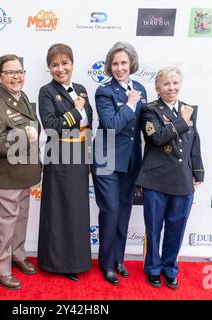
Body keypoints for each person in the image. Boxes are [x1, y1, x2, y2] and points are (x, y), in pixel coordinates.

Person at [136, 66, 204, 289]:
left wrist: (198, 172)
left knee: (177, 228)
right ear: (157, 88)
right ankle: (153, 269)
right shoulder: (149, 110)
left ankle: (169, 268)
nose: (171, 88)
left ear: (180, 85)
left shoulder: (188, 109)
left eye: (175, 83)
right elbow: (156, 137)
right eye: (166, 84)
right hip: (156, 179)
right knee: (154, 228)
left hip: (183, 180)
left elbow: (194, 142)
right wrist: (182, 122)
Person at [0, 54, 41, 290]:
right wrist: (25, 136)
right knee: (4, 225)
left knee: (20, 220)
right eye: (10, 72)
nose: (16, 77)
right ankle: (0, 269)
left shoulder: (20, 95)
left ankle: (17, 254)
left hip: (23, 174)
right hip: (5, 176)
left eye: (20, 72)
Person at [91, 42, 147, 285]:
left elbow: (144, 127)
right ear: (109, 66)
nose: (120, 68)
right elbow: (112, 125)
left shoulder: (141, 87)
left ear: (131, 63)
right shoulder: (104, 91)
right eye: (115, 63)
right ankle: (106, 264)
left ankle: (119, 259)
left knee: (123, 210)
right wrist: (132, 103)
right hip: (106, 159)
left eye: (123, 63)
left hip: (131, 160)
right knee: (111, 210)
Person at [37, 43, 93, 281]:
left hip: (80, 157)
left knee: (78, 211)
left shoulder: (81, 88)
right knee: (60, 210)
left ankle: (77, 259)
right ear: (49, 68)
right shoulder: (46, 91)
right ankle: (57, 263)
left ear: (72, 63)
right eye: (55, 64)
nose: (60, 69)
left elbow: (88, 125)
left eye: (65, 63)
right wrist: (76, 111)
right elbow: (51, 127)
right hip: (59, 157)